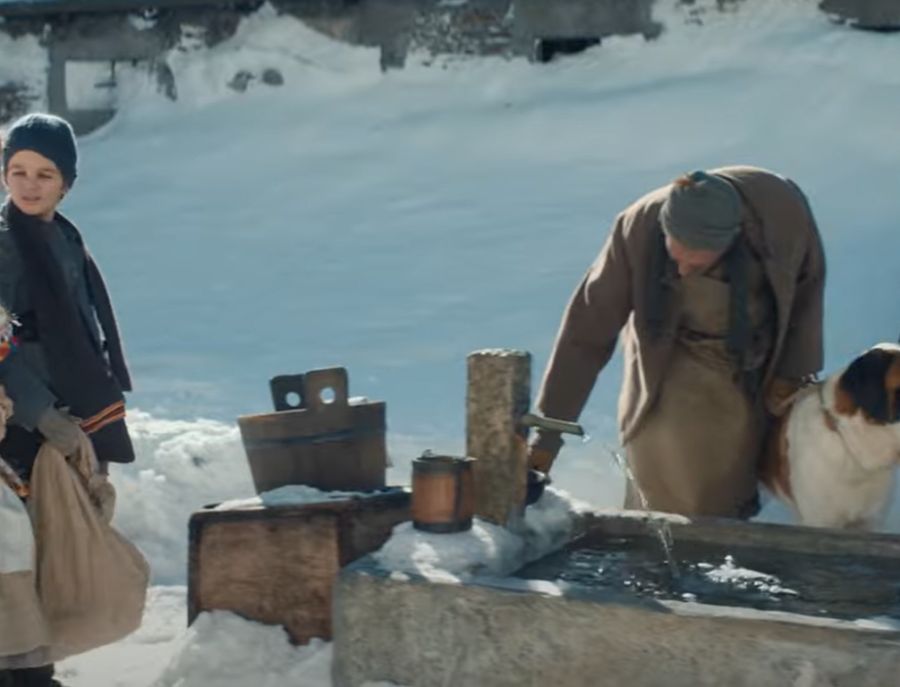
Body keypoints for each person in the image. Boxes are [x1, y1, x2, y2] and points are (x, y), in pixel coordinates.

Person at [527, 166, 825, 519]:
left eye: (695, 261)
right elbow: (585, 335)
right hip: (666, 369)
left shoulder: (780, 211)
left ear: (730, 240)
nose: (681, 270)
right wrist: (545, 439)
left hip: (748, 372)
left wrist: (791, 374)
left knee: (731, 496)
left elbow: (809, 289)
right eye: (675, 254)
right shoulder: (637, 227)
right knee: (667, 501)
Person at [0, 113, 135, 687]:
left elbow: (78, 331)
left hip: (61, 415)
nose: (28, 185)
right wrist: (43, 415)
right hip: (20, 423)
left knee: (48, 548)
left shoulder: (64, 239)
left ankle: (33, 667)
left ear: (67, 183)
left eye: (44, 174)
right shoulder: (6, 247)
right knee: (18, 551)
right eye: (16, 171)